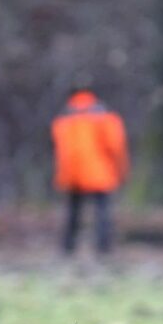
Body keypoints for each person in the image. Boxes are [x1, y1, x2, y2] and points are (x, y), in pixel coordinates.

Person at [51, 85, 130, 254]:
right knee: (102, 212)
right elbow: (115, 146)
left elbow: (60, 148)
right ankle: (104, 248)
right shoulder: (104, 118)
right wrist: (121, 169)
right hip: (99, 171)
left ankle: (67, 248)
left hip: (71, 174)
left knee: (73, 212)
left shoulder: (65, 119)